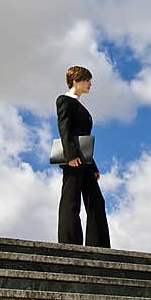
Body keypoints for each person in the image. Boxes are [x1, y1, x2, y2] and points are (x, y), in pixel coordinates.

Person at [56, 65, 111, 247]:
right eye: (87, 80)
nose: (90, 83)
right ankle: (70, 244)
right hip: (73, 159)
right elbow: (65, 129)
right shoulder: (64, 100)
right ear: (76, 80)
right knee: (71, 201)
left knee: (97, 201)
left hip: (86, 160)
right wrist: (70, 156)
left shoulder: (80, 105)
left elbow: (84, 139)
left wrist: (93, 166)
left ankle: (99, 246)